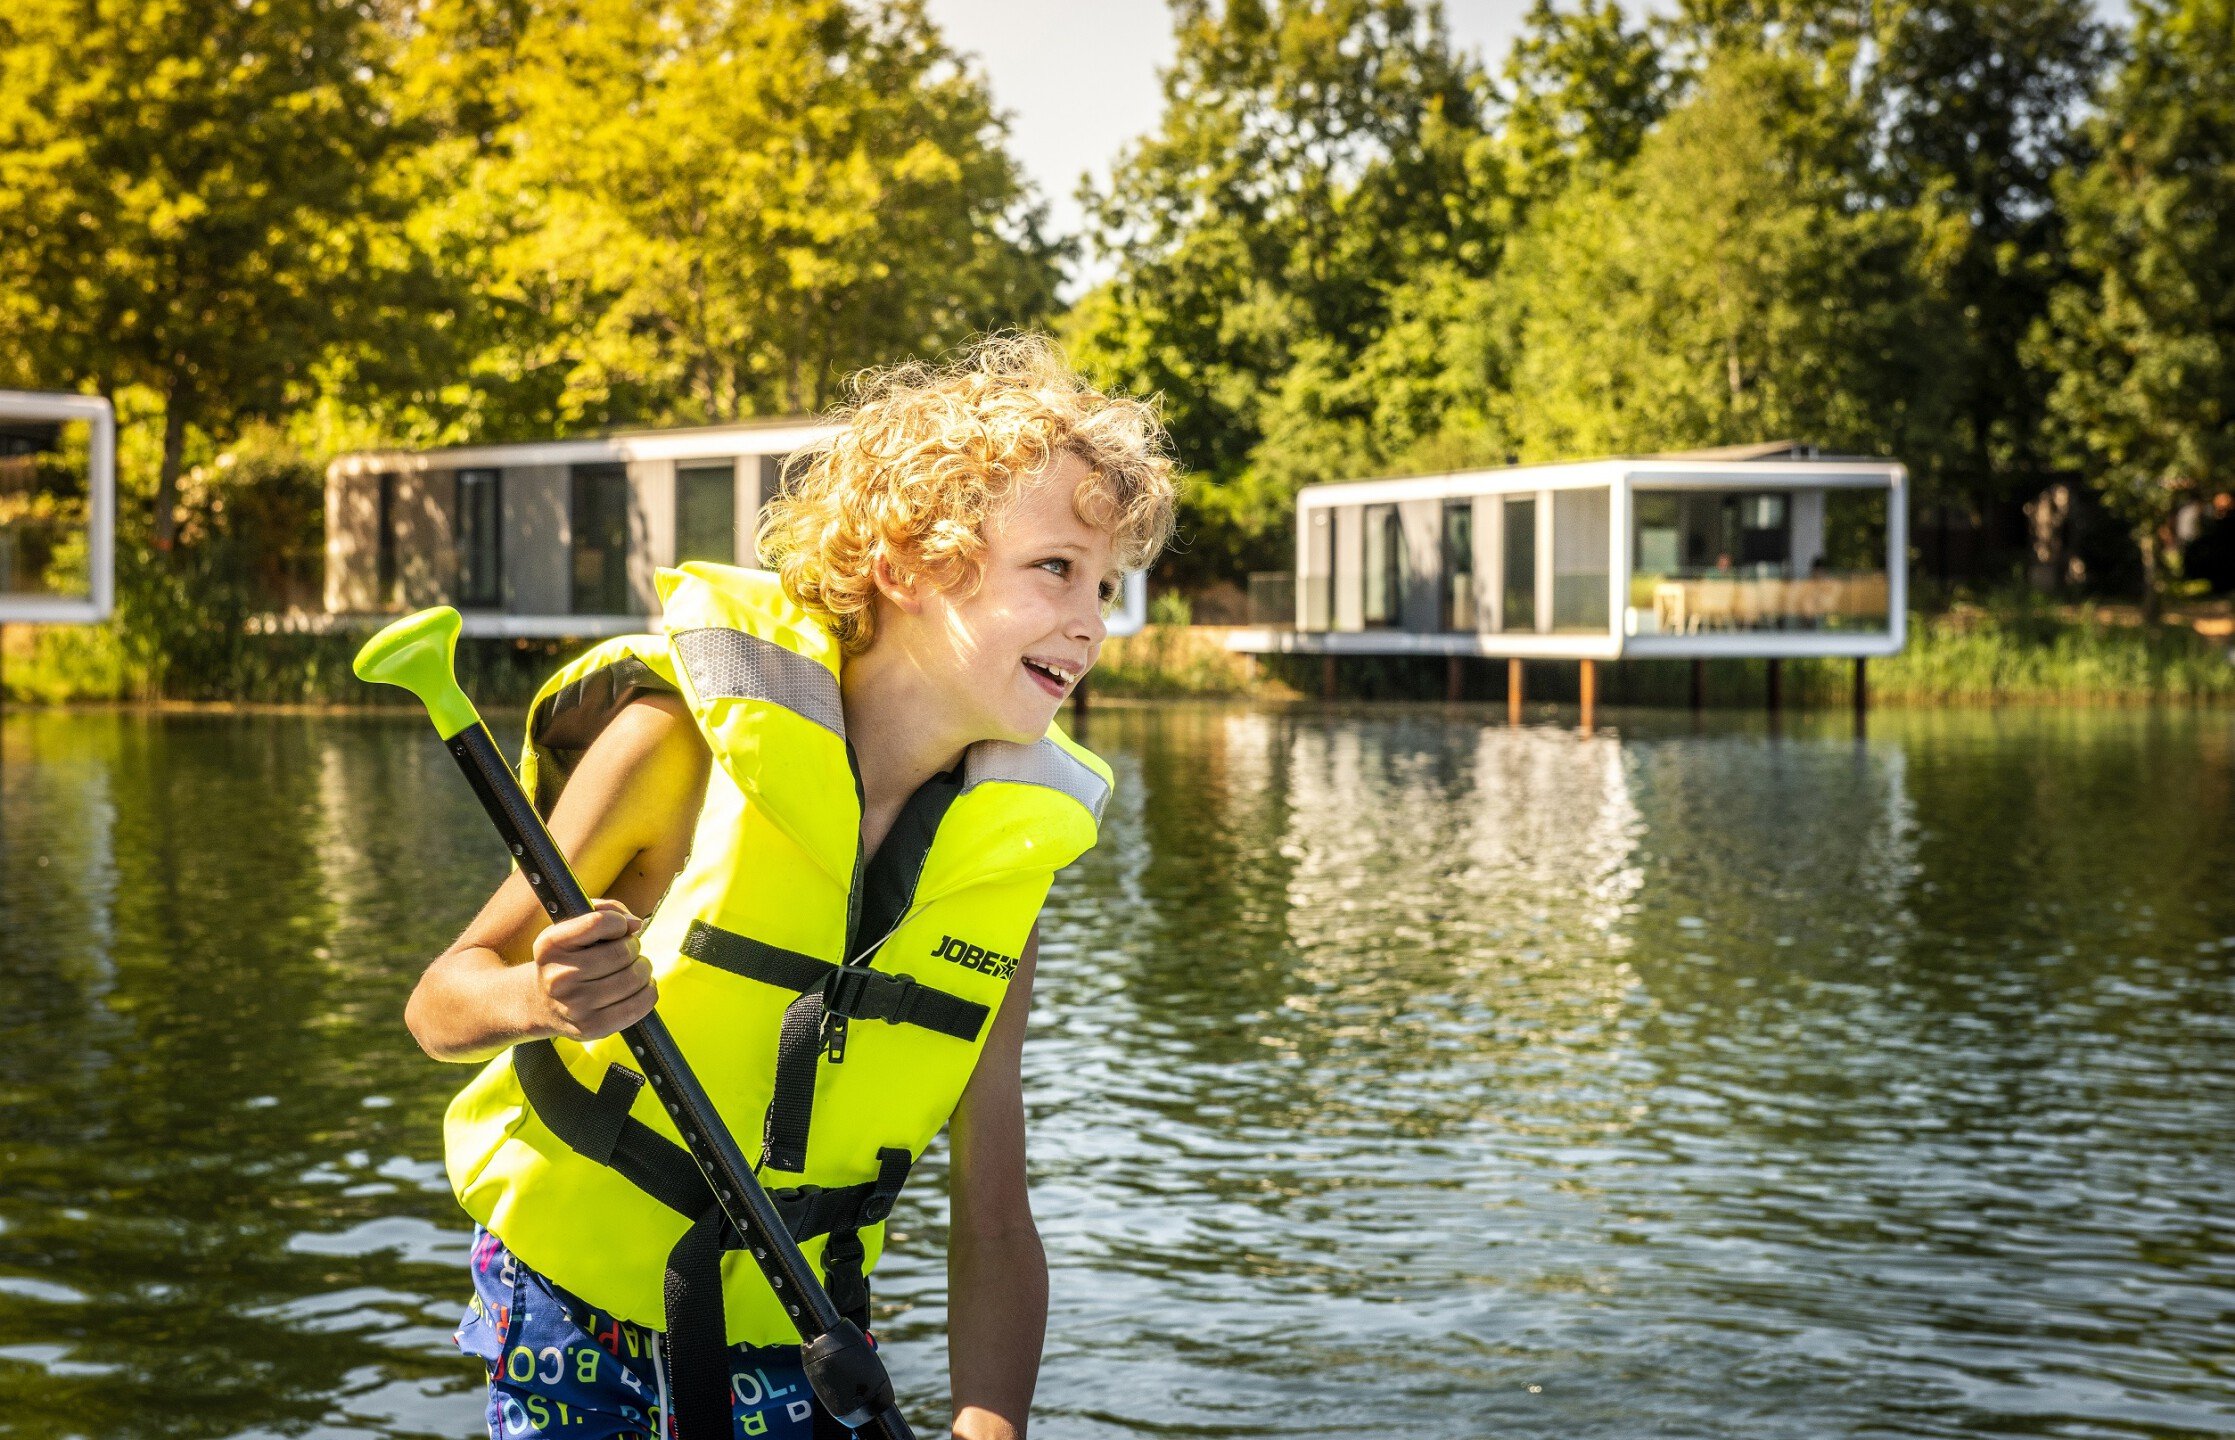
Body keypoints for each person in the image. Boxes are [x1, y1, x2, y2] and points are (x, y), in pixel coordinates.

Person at [404, 335, 1177, 1440]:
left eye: (1106, 586)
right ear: (907, 565)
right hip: (575, 1312)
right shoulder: (675, 749)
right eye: (1055, 568)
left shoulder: (1006, 866)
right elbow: (441, 1000)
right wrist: (540, 999)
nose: (1093, 623)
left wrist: (989, 1423)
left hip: (801, 1334)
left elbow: (995, 1220)